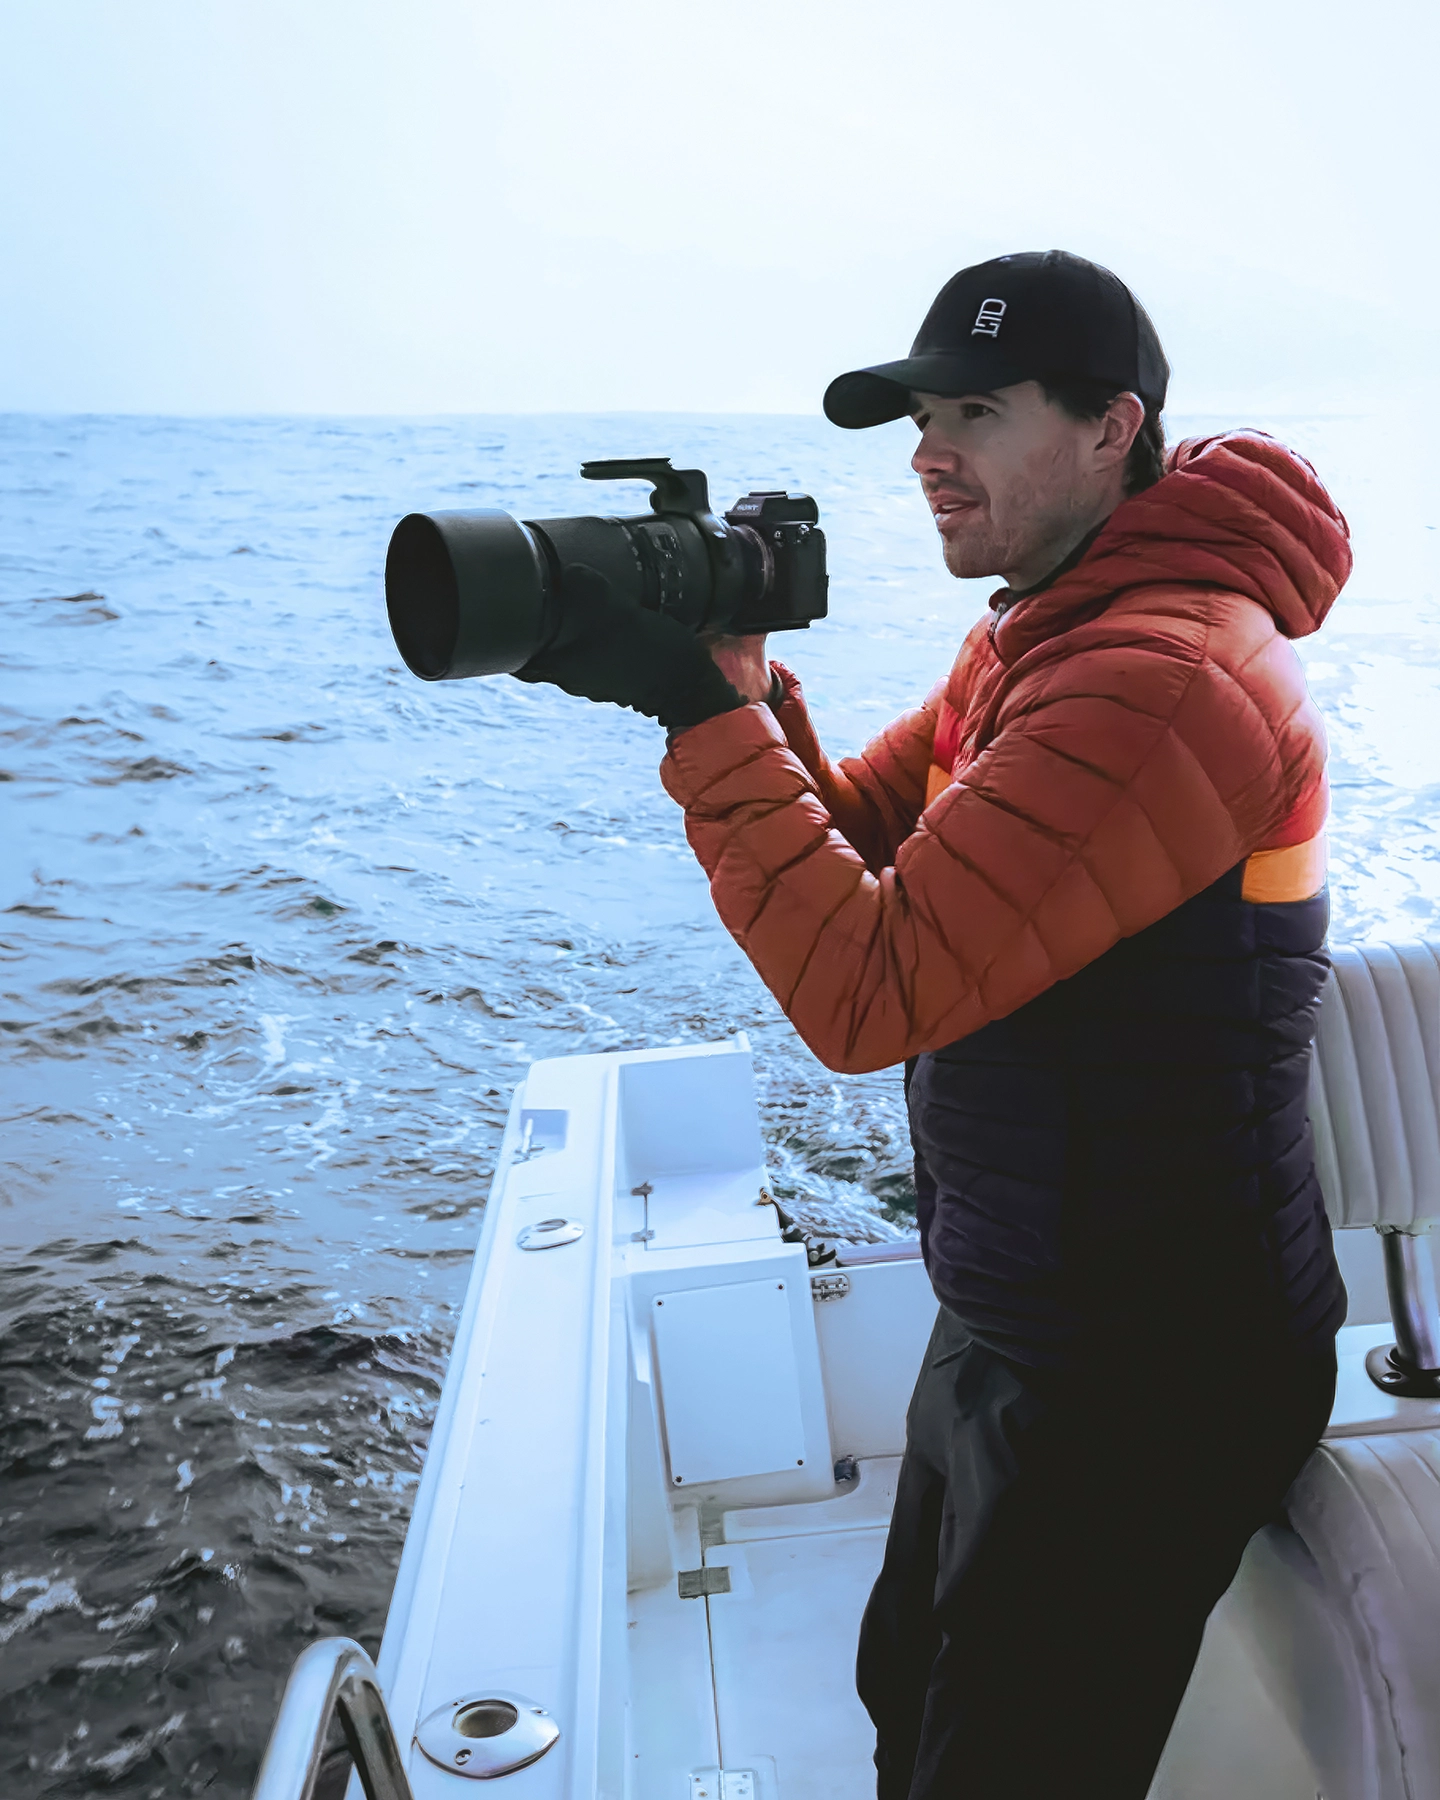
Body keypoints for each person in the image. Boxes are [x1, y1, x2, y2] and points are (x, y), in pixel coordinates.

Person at [519, 249, 1351, 1798]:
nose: (927, 453)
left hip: (1148, 1365)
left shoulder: (1157, 680)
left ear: (1115, 427)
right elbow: (860, 842)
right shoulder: (1042, 636)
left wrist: (705, 727)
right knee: (907, 1687)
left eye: (976, 410)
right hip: (1027, 1312)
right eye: (918, 416)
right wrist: (738, 685)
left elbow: (870, 990)